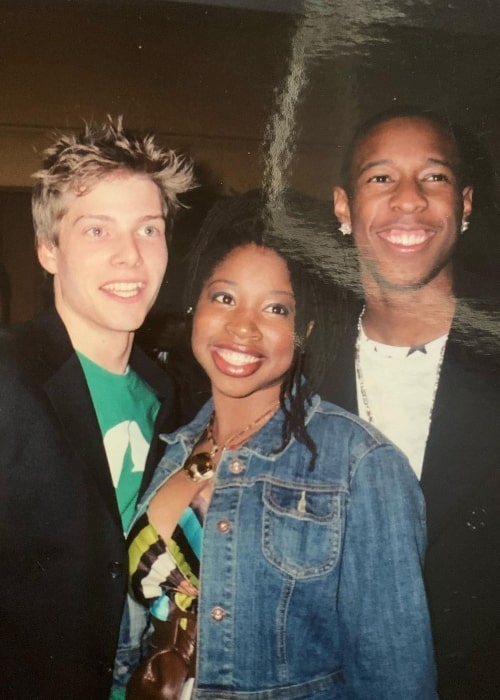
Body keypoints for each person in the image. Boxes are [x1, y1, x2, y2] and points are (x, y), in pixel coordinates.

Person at [124, 191, 437, 699]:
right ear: (195, 304)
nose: (242, 327)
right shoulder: (174, 446)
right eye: (223, 297)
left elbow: (397, 681)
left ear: (306, 328)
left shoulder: (361, 466)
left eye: (275, 309)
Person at [0, 118, 194, 700]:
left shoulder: (168, 394)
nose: (130, 257)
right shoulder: (9, 378)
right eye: (97, 231)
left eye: (148, 230)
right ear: (48, 250)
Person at [320, 106, 500, 699]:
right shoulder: (299, 370)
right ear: (344, 208)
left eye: (434, 177)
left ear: (465, 204)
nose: (409, 199)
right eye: (380, 178)